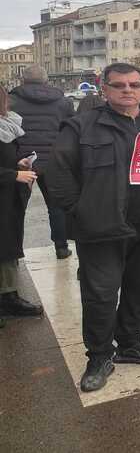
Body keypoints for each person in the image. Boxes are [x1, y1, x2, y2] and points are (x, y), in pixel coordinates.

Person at [46, 62, 140, 392]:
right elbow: (57, 175)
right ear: (105, 89)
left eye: (134, 84)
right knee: (100, 295)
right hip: (102, 228)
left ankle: (130, 343)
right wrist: (80, 211)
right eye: (119, 85)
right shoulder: (81, 126)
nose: (128, 90)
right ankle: (99, 356)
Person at [9, 65, 75, 259]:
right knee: (56, 207)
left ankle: (13, 253)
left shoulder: (11, 101)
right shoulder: (63, 102)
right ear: (47, 81)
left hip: (22, 161)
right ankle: (61, 247)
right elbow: (70, 130)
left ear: (23, 80)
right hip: (53, 161)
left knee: (16, 208)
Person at [0, 86, 43, 329]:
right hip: (6, 189)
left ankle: (9, 296)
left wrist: (19, 162)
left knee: (8, 247)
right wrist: (13, 175)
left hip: (8, 199)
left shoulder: (8, 124)